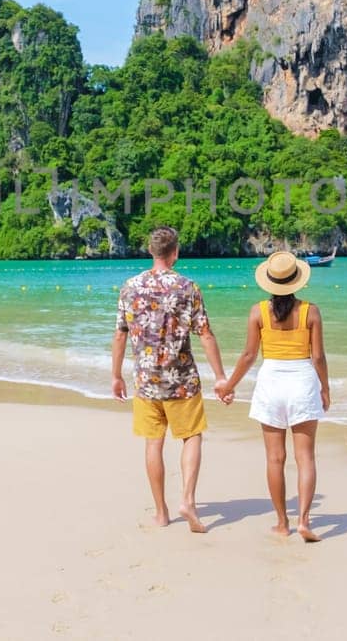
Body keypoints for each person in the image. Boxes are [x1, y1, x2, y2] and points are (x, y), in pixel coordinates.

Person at [110, 226, 228, 533]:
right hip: (182, 379)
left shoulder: (129, 287)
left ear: (151, 251)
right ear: (174, 253)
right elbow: (205, 333)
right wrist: (220, 376)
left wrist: (116, 375)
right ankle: (187, 499)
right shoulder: (188, 287)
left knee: (154, 443)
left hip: (146, 380)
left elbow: (120, 335)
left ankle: (162, 513)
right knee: (192, 436)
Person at [215, 251, 330, 542]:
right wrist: (325, 388)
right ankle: (304, 521)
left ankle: (282, 523)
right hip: (303, 380)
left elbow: (249, 355)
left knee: (275, 459)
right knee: (305, 458)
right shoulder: (310, 311)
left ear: (269, 281)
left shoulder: (258, 312)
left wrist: (228, 386)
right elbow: (317, 357)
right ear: (297, 282)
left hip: (271, 382)